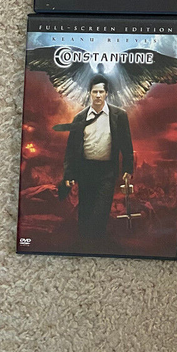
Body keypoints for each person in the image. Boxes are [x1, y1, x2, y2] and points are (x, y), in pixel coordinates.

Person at [60, 74, 134, 242]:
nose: (98, 95)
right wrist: (69, 174)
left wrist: (128, 168)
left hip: (107, 171)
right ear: (90, 93)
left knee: (101, 210)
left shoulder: (119, 116)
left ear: (106, 93)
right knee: (85, 209)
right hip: (85, 170)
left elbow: (126, 143)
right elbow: (71, 149)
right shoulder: (80, 118)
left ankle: (97, 242)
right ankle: (84, 244)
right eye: (95, 92)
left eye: (101, 92)